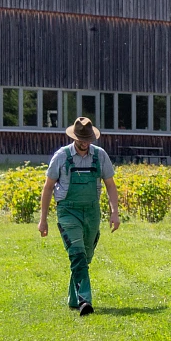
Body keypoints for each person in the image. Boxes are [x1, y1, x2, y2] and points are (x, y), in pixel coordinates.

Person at [38, 117, 120, 315]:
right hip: (67, 210)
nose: (84, 143)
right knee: (77, 253)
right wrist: (43, 219)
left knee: (85, 257)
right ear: (75, 137)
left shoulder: (100, 156)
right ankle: (85, 301)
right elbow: (48, 187)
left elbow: (110, 185)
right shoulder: (61, 156)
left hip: (91, 212)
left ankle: (73, 298)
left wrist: (114, 213)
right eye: (81, 139)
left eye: (88, 139)